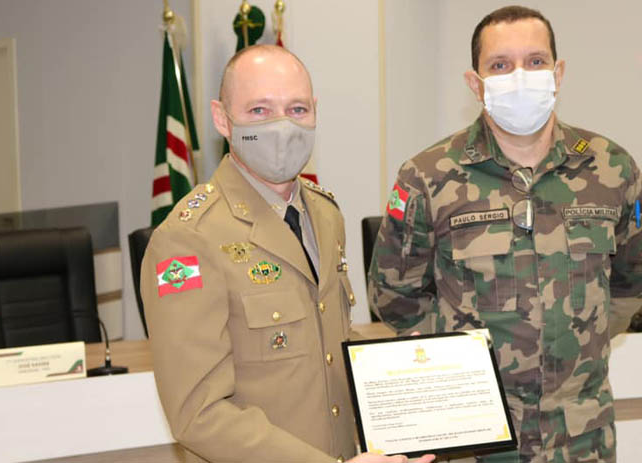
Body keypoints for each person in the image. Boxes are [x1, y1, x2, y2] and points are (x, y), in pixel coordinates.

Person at [368, 6, 642, 463]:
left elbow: (633, 281)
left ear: (558, 73)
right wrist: (460, 367)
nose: (520, 76)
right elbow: (394, 297)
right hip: (475, 438)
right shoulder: (429, 176)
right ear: (475, 83)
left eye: (535, 61)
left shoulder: (611, 168)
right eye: (500, 65)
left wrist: (575, 340)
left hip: (580, 439)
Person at [141, 45, 434, 463]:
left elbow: (326, 350)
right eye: (259, 110)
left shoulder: (325, 214)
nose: (282, 126)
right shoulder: (188, 239)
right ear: (222, 118)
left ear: (315, 112)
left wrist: (401, 371)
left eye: (297, 109)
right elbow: (198, 414)